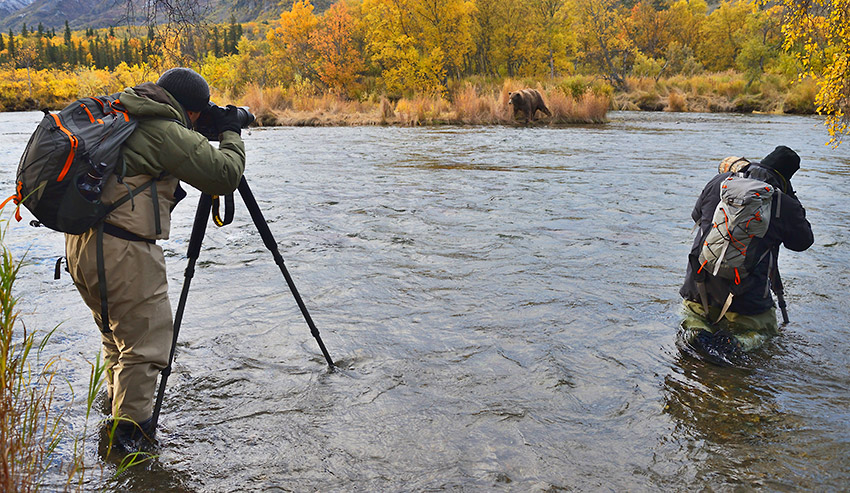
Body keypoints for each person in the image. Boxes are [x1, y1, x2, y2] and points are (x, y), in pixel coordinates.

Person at [64, 68, 246, 451]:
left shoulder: (125, 111)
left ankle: (114, 415)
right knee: (147, 345)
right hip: (122, 249)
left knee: (117, 338)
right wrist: (231, 131)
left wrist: (196, 129)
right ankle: (130, 444)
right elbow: (224, 175)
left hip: (82, 244)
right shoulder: (163, 130)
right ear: (192, 111)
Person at [678, 145, 814, 364]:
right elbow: (803, 242)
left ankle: (695, 334)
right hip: (747, 304)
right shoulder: (783, 203)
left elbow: (696, 215)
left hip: (698, 290)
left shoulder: (718, 182)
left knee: (691, 319)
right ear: (786, 179)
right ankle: (734, 345)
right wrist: (792, 198)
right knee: (765, 334)